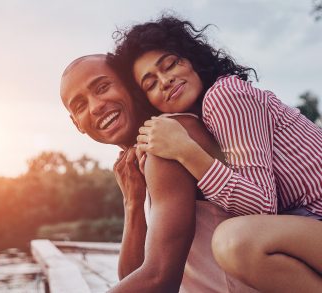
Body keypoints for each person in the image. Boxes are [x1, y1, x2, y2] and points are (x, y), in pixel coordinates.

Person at [108, 15, 322, 292]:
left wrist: (188, 152)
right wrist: (133, 201)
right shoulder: (197, 125)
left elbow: (262, 207)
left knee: (235, 242)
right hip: (309, 227)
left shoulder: (224, 95)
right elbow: (137, 273)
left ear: (191, 59)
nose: (165, 80)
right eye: (150, 83)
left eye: (170, 63)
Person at [60, 54, 258, 292]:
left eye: (102, 87)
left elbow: (160, 280)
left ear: (131, 84)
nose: (96, 106)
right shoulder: (142, 157)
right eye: (81, 105)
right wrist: (133, 202)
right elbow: (131, 277)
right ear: (77, 124)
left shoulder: (169, 139)